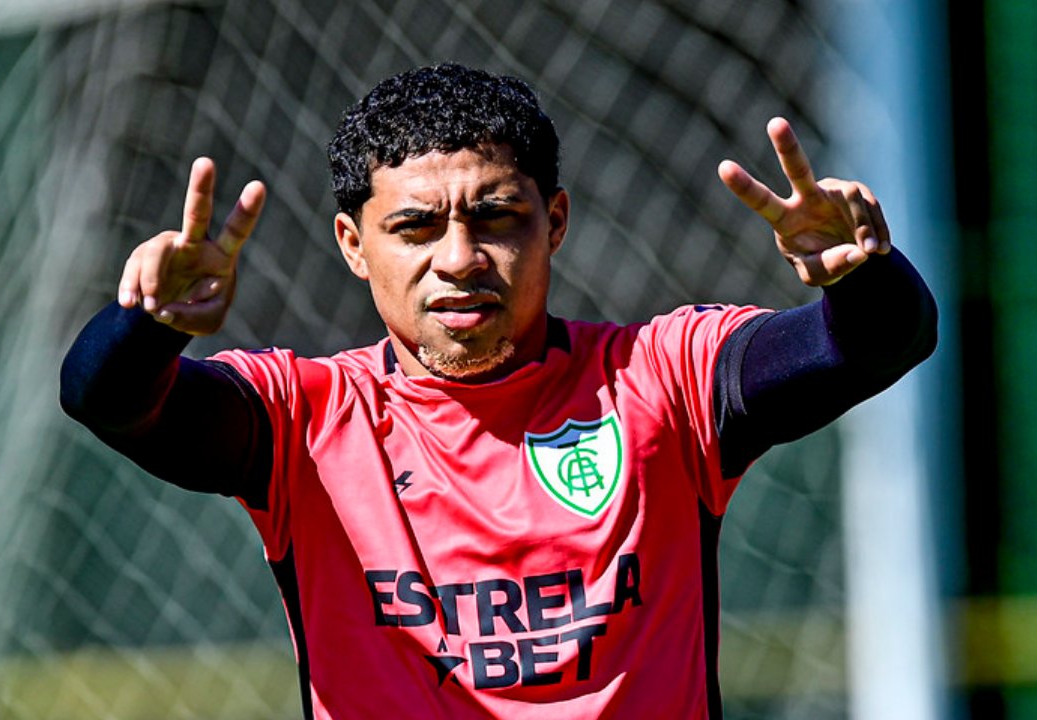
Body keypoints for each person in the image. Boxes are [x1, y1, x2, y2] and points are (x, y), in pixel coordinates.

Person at [61, 63, 936, 718]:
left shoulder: (660, 379)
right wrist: (150, 324)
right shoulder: (307, 420)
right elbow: (109, 399)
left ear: (553, 222)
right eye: (413, 226)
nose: (458, 259)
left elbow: (866, 347)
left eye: (496, 217)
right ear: (352, 244)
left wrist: (860, 277)